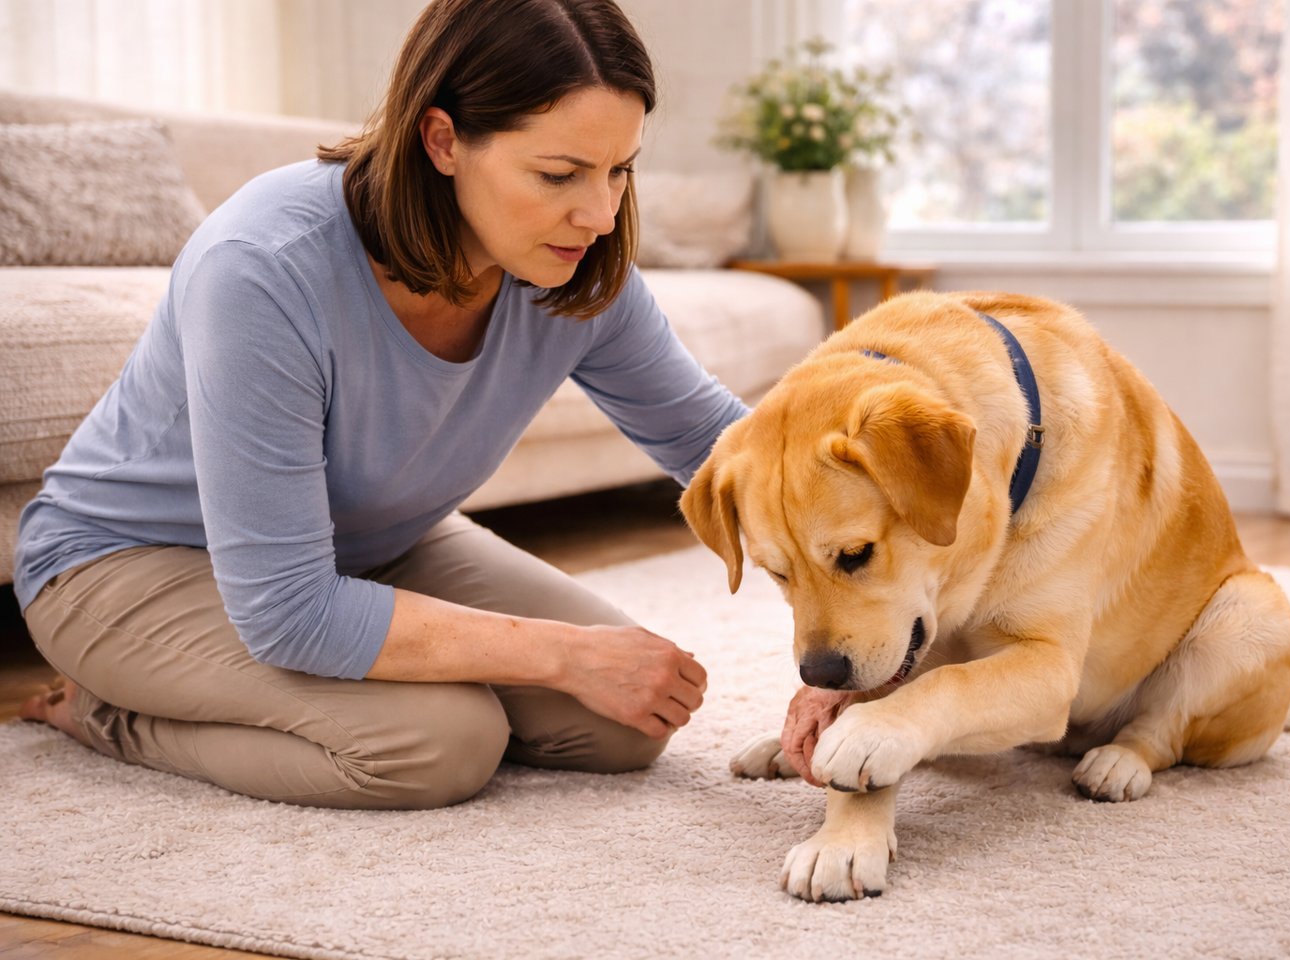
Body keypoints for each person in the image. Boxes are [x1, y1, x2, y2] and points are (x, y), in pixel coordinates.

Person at [14, 0, 743, 810]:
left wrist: (884, 594)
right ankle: (109, 713)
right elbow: (290, 611)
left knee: (629, 722)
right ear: (442, 142)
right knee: (439, 743)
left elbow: (723, 448)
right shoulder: (263, 267)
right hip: (125, 565)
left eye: (620, 170)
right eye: (559, 174)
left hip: (363, 545)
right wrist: (563, 655)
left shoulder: (573, 270)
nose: (601, 216)